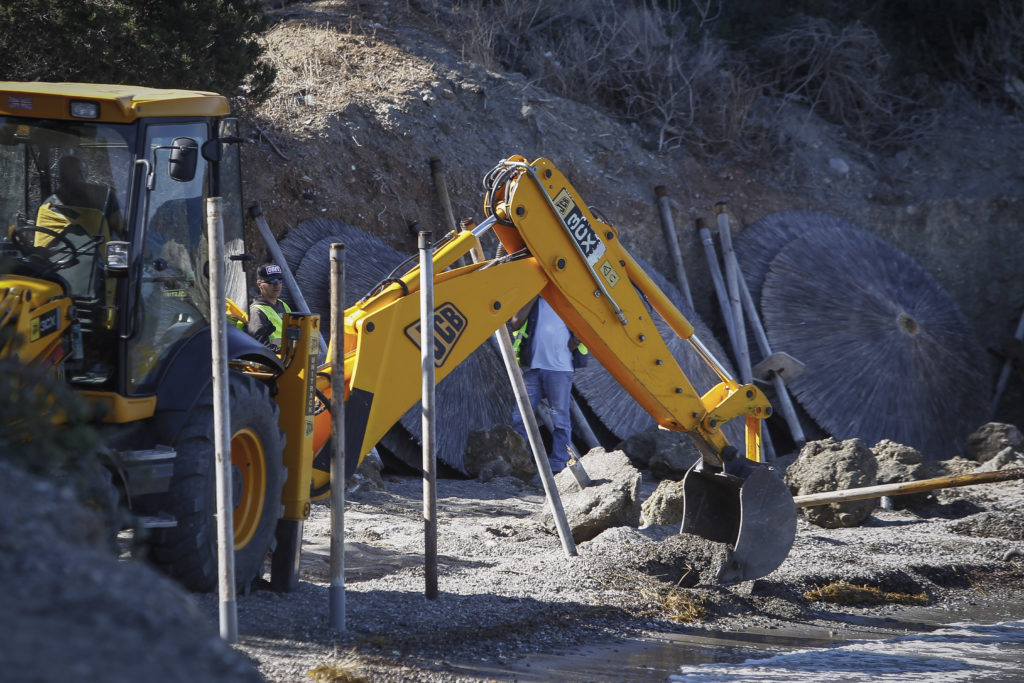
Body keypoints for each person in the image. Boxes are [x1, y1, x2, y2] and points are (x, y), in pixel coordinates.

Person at [509, 296, 588, 473]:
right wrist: (533, 295)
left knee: (560, 418)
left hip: (560, 369)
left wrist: (576, 341)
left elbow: (585, 328)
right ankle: (517, 461)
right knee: (520, 415)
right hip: (534, 368)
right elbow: (515, 322)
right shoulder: (534, 301)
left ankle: (558, 464)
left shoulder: (569, 300)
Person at [248, 262, 292, 351]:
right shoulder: (257, 311)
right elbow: (260, 346)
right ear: (259, 284)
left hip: (289, 357)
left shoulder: (283, 305)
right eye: (271, 281)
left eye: (280, 280)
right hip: (276, 360)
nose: (277, 285)